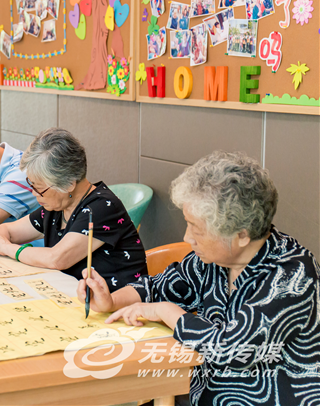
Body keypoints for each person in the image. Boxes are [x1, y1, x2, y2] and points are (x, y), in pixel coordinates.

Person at [78, 151, 320, 405]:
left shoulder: (292, 275)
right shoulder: (216, 258)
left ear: (241, 235)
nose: (187, 238)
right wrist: (110, 300)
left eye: (197, 229)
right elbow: (157, 287)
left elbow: (230, 350)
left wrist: (167, 312)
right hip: (197, 391)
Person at [0, 128, 146, 288]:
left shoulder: (101, 208)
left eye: (39, 187)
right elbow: (9, 231)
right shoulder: (56, 206)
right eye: (31, 184)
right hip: (70, 295)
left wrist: (8, 248)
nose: (34, 193)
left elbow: (57, 258)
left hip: (118, 306)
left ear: (68, 184)